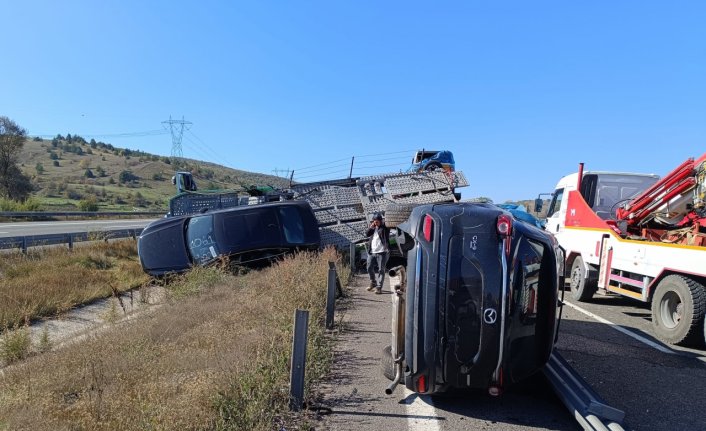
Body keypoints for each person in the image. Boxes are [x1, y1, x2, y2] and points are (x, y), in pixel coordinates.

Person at [365, 212, 390, 294]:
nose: (375, 223)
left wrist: (384, 223)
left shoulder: (384, 228)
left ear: (381, 221)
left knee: (381, 270)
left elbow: (388, 225)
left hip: (382, 252)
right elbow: (367, 234)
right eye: (374, 221)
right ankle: (373, 282)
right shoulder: (373, 228)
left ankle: (379, 287)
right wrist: (370, 228)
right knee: (369, 268)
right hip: (372, 252)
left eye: (377, 221)